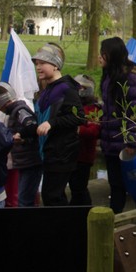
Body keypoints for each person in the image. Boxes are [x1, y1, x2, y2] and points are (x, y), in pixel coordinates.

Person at [99, 36, 136, 214]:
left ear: (112, 55)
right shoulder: (108, 78)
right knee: (116, 186)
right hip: (111, 144)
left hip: (127, 146)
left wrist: (132, 143)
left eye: (103, 54)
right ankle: (115, 220)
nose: (99, 58)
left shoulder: (131, 79)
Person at [31, 42, 86, 207]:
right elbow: (41, 118)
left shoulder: (66, 88)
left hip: (62, 153)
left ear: (55, 65)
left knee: (52, 197)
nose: (38, 67)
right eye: (37, 64)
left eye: (42, 63)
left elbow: (79, 117)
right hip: (49, 152)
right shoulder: (48, 89)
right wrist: (24, 132)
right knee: (52, 196)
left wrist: (52, 123)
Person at [0, 81, 42, 208]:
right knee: (23, 199)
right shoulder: (14, 111)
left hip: (30, 162)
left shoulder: (19, 110)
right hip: (24, 162)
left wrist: (20, 134)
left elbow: (31, 125)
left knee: (24, 201)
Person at [69, 74, 102, 207]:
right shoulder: (72, 105)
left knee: (79, 187)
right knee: (74, 186)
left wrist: (76, 129)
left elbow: (93, 131)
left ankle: (86, 210)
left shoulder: (94, 109)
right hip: (71, 154)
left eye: (81, 87)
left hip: (84, 156)